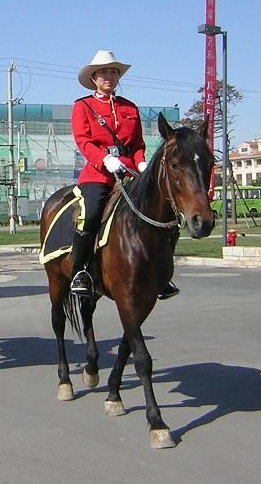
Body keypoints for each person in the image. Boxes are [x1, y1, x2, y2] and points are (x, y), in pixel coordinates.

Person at [69, 50, 179, 300]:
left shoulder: (130, 107)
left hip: (130, 174)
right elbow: (83, 141)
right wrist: (105, 159)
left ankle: (162, 274)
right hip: (98, 175)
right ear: (94, 77)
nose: (109, 76)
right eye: (104, 72)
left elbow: (138, 144)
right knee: (92, 214)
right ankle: (81, 271)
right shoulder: (83, 106)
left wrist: (141, 164)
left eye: (113, 72)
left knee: (166, 215)